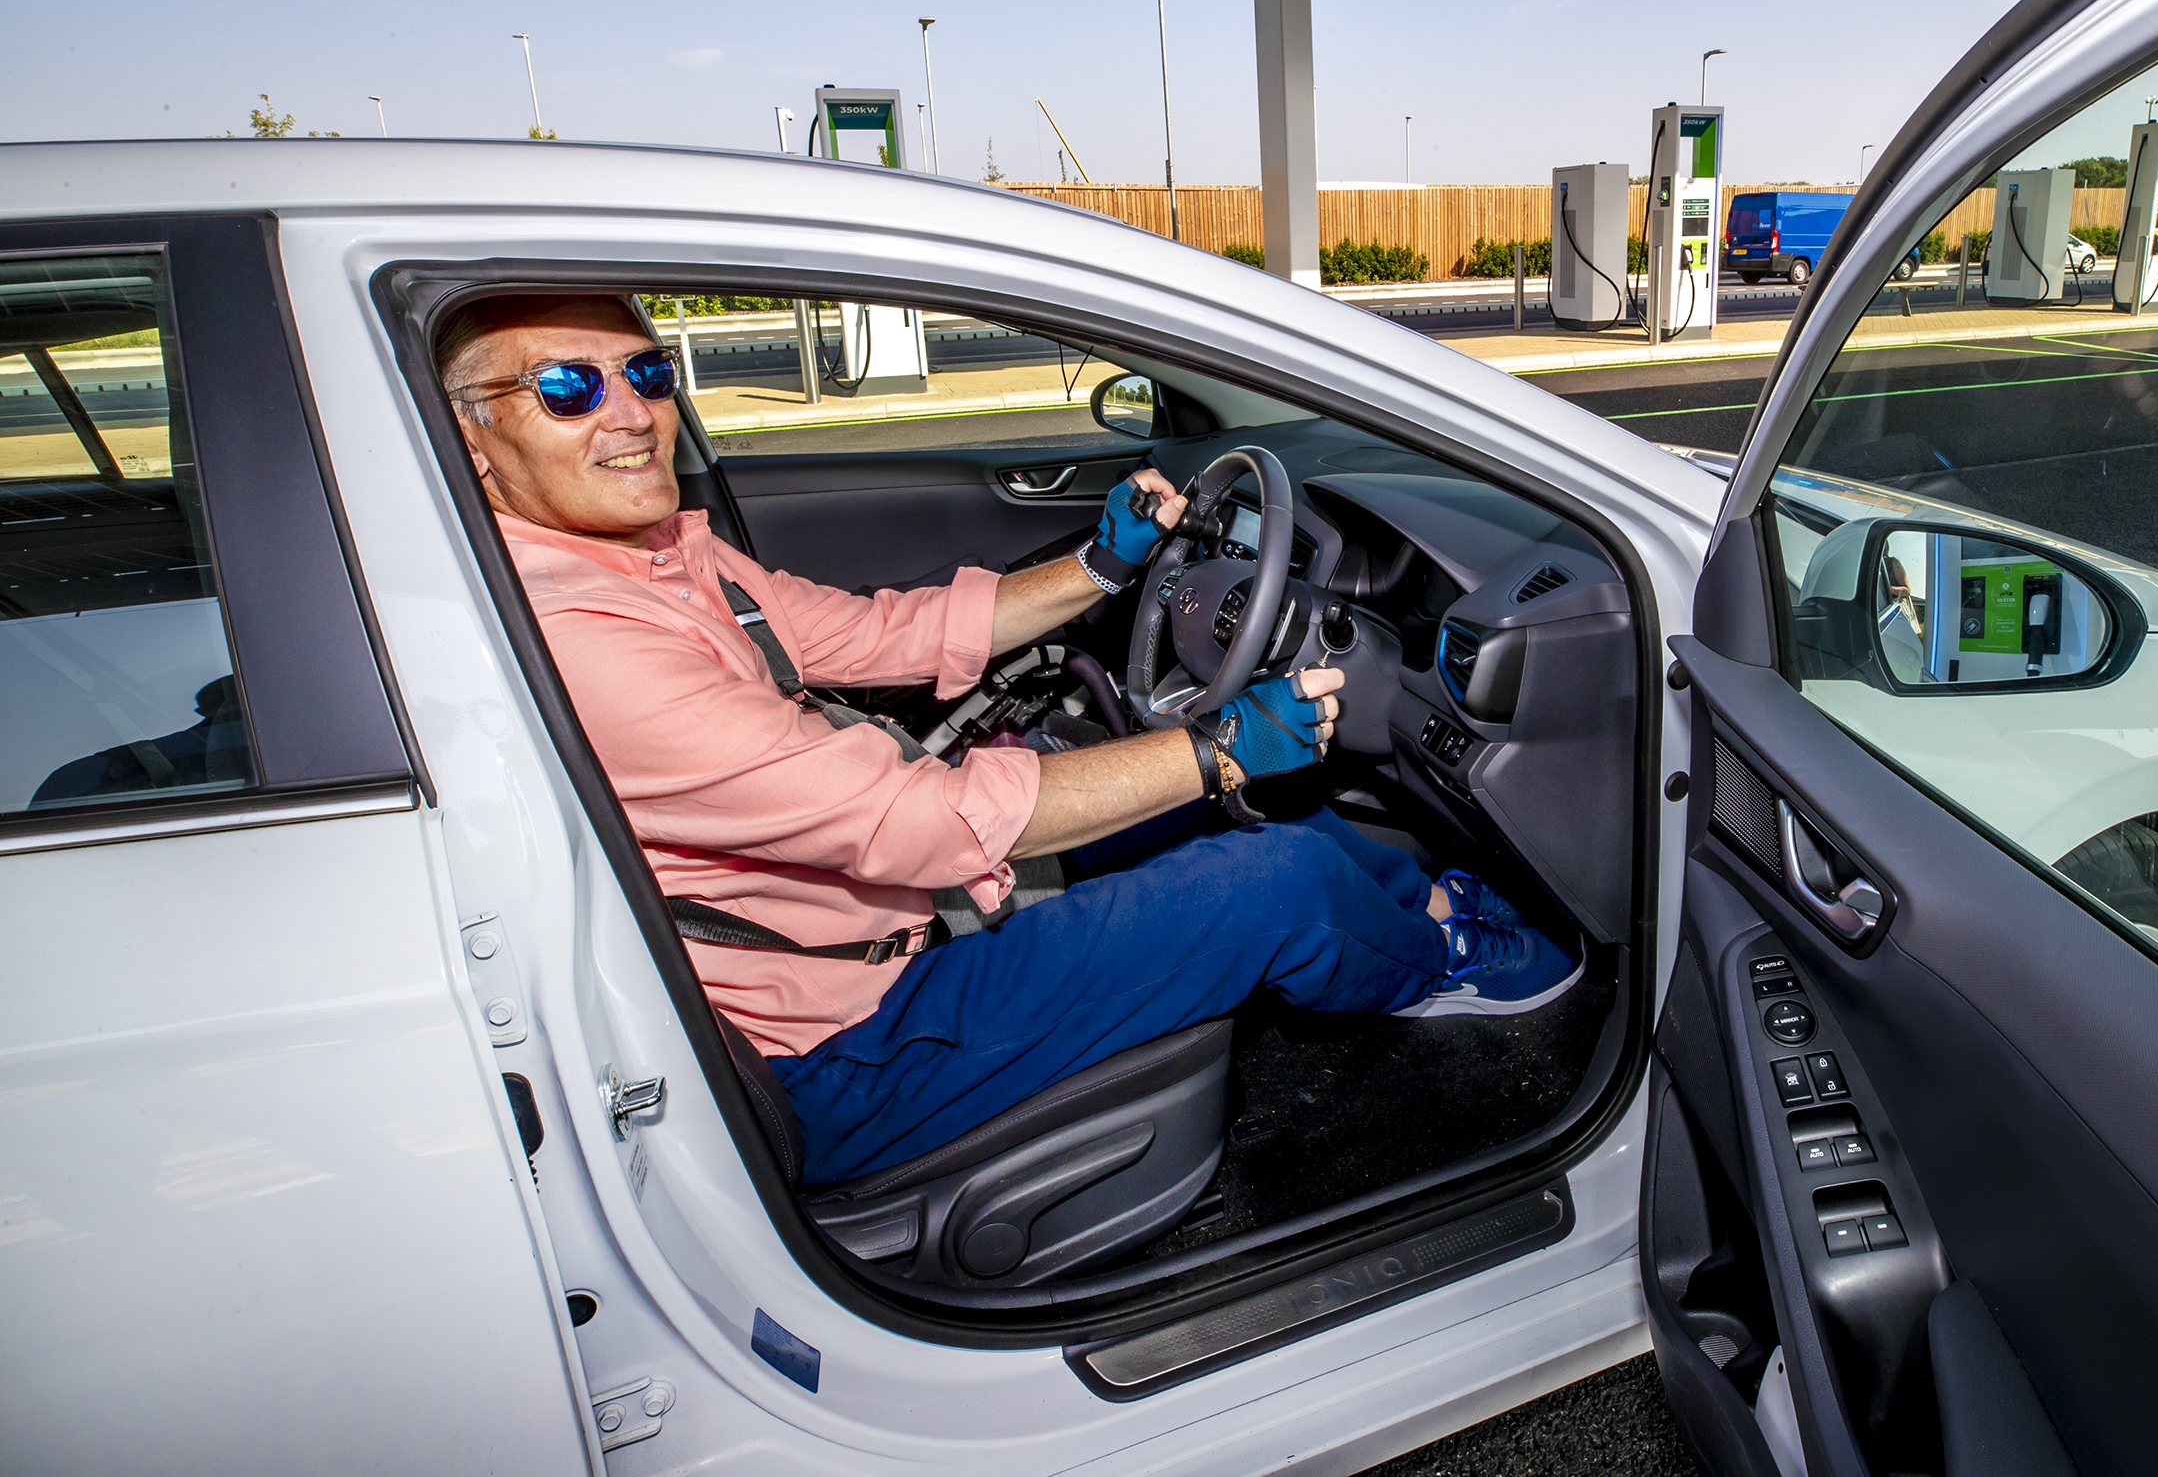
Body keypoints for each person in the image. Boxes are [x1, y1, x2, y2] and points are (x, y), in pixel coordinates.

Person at [441, 294, 1579, 1186]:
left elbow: (885, 630)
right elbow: (915, 823)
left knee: (1203, 805)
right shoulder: (588, 639)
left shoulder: (662, 560)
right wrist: (1219, 747)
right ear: (474, 437)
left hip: (887, 928)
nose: (629, 412)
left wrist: (1099, 565)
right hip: (842, 1051)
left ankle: (1425, 905)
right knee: (1263, 867)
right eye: (564, 387)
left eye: (644, 372)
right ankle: (1444, 965)